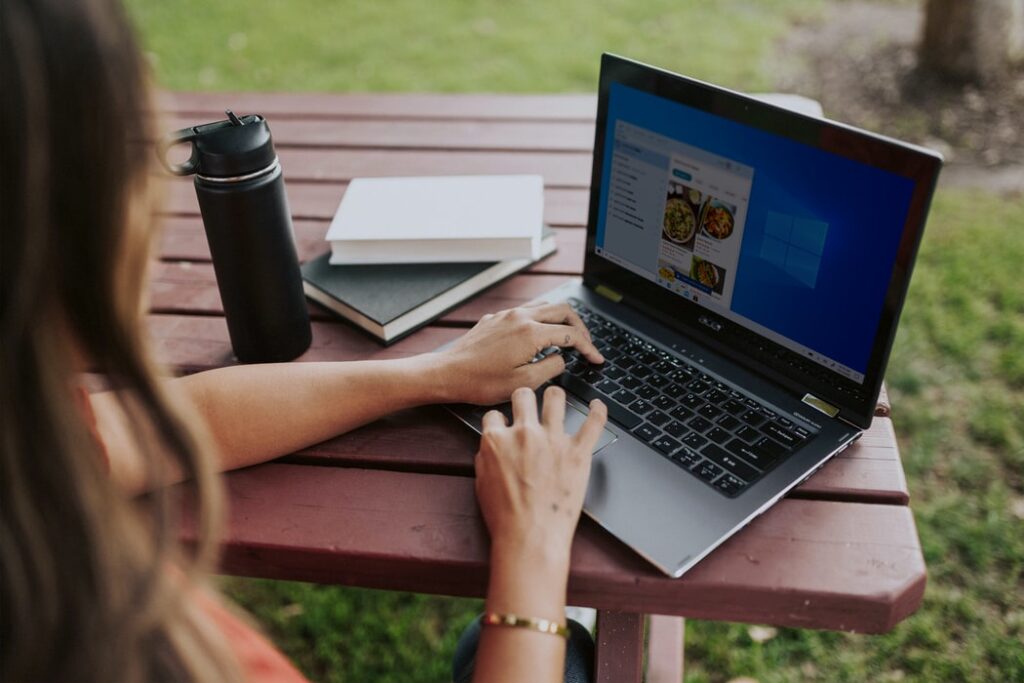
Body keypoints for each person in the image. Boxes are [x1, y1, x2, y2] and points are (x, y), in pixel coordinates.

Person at [0, 1, 609, 681]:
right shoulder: (118, 649)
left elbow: (184, 419)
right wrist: (533, 548)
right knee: (563, 655)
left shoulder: (24, 437)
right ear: (58, 224)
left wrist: (437, 372)